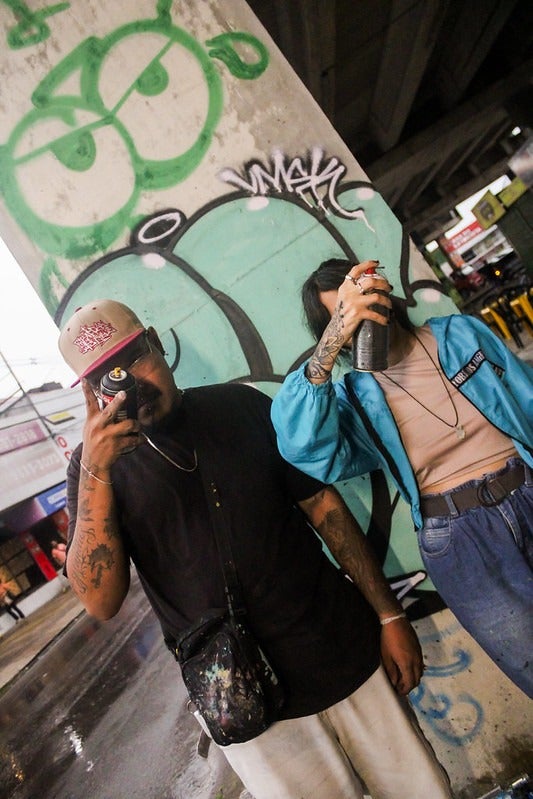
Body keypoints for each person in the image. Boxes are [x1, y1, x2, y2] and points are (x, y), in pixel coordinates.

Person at [58, 298, 453, 799]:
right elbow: (100, 602)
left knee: (422, 790)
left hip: (340, 649)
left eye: (133, 359)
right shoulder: (92, 472)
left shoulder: (240, 405)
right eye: (107, 379)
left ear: (156, 341)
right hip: (246, 705)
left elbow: (322, 507)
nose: (130, 386)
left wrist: (389, 615)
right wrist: (96, 470)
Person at [271, 258, 533, 699]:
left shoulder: (458, 336)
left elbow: (527, 398)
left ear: (385, 293)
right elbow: (302, 448)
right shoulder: (354, 399)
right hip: (462, 541)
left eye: (366, 299)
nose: (364, 317)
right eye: (344, 314)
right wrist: (333, 342)